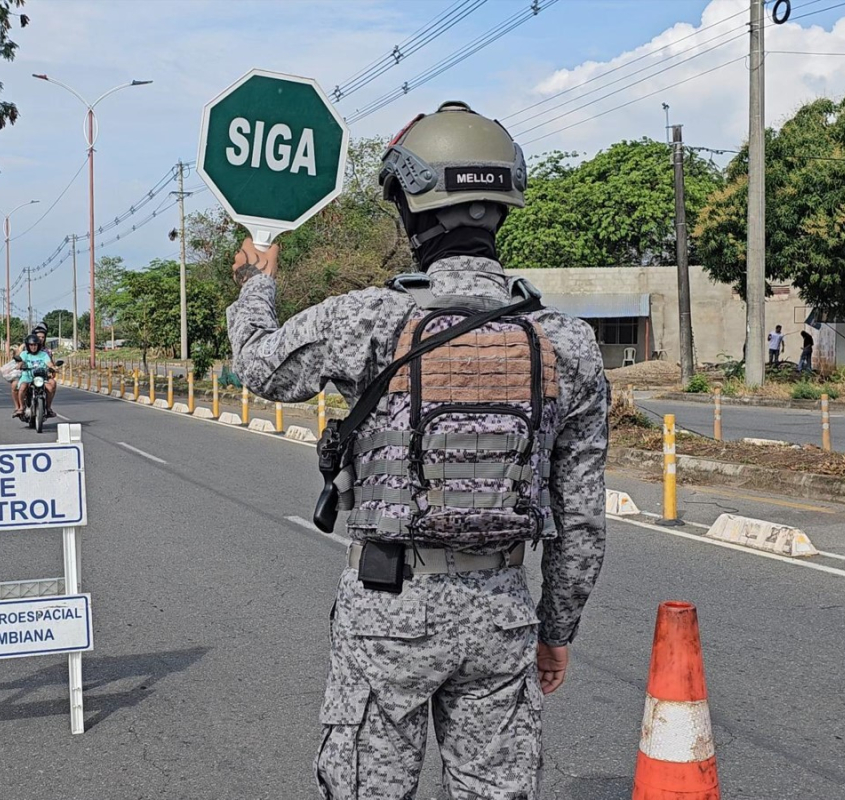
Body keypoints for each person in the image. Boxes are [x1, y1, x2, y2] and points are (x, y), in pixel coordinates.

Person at [227, 101, 608, 799]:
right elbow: (581, 520)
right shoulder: (568, 342)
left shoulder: (368, 317)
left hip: (387, 607)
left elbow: (258, 365)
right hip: (503, 612)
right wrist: (555, 631)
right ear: (502, 205)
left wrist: (258, 283)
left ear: (410, 208)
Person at [9, 325, 57, 418]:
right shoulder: (24, 353)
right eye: (31, 345)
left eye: (35, 345)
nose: (33, 347)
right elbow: (20, 361)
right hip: (27, 376)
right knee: (22, 387)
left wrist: (53, 368)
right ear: (28, 345)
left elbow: (49, 363)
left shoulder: (44, 353)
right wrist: (20, 365)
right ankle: (21, 408)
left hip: (41, 377)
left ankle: (48, 408)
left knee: (51, 387)